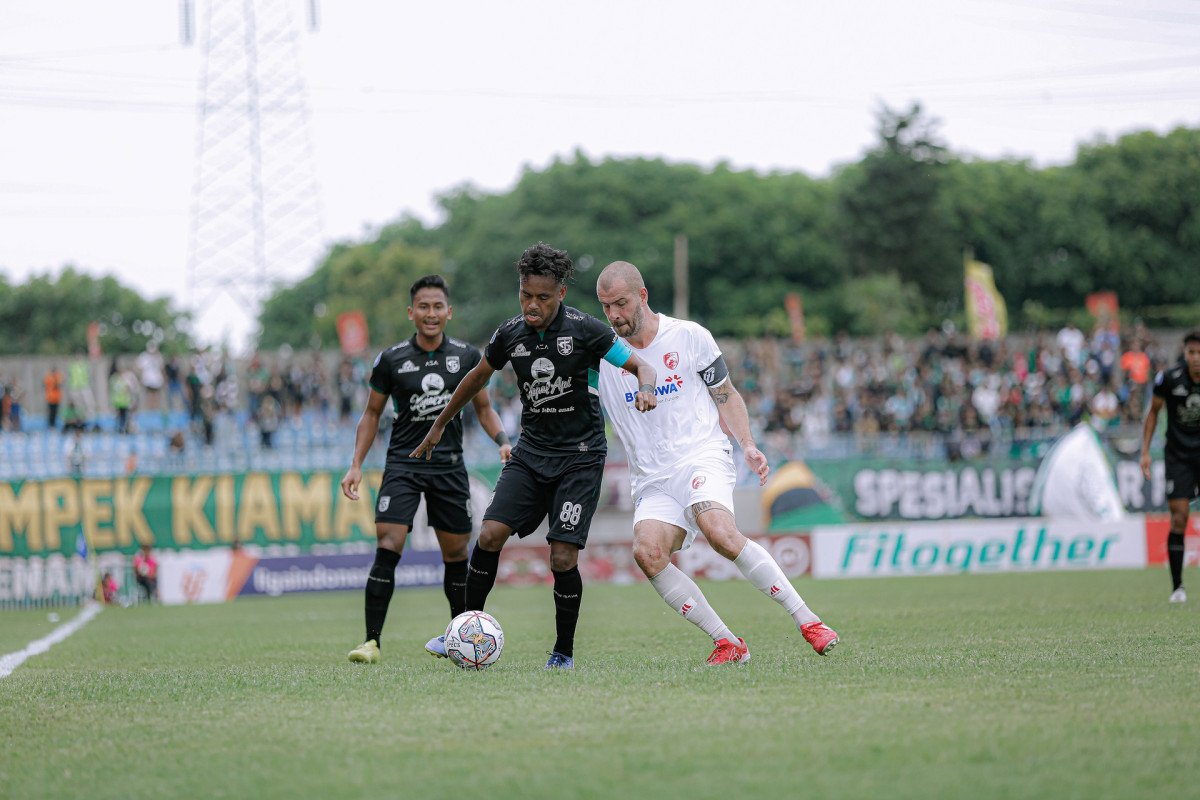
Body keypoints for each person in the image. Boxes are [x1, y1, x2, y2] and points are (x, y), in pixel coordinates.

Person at [410, 244, 658, 670]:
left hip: (580, 457)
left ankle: (563, 652)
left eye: (543, 297)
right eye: (526, 295)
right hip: (531, 453)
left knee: (562, 556)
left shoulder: (587, 330)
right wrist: (437, 425)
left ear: (560, 293)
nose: (532, 305)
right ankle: (462, 630)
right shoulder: (511, 334)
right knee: (488, 535)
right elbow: (476, 378)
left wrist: (647, 388)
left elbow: (642, 367)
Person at [595, 261, 839, 664]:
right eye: (606, 307)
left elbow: (724, 393)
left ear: (643, 296)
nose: (614, 315)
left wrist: (747, 443)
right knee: (647, 552)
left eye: (621, 303)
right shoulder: (599, 356)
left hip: (701, 454)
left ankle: (808, 621)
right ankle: (728, 642)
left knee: (720, 532)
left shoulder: (689, 336)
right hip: (652, 477)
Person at [342, 274, 515, 665]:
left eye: (438, 306)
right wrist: (355, 465)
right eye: (423, 306)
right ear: (411, 312)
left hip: (449, 467)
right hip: (403, 464)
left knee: (456, 555)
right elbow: (371, 414)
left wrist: (503, 439)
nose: (431, 313)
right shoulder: (391, 360)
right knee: (388, 545)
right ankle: (371, 642)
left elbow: (483, 408)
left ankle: (458, 639)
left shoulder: (469, 357)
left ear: (448, 312)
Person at [1140, 330, 1200, 603]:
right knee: (1179, 517)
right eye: (1192, 353)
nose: (1196, 358)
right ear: (1184, 353)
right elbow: (1153, 412)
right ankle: (1178, 588)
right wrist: (1145, 452)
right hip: (1178, 456)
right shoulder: (1169, 379)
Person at [44, 365, 64, 429]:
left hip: (56, 398)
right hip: (50, 398)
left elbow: (59, 384)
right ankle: (50, 424)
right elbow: (47, 385)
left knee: (55, 412)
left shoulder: (58, 376)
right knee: (50, 412)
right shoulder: (48, 376)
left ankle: (54, 424)